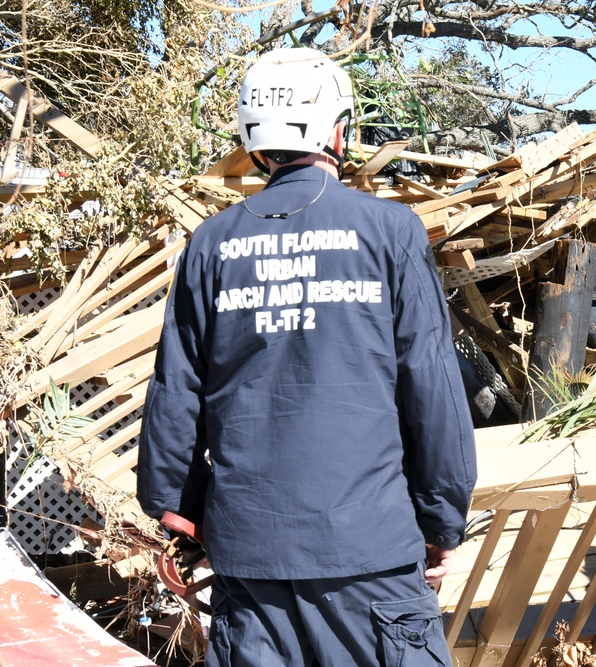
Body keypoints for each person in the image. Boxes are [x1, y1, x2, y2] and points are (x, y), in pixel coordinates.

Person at [136, 47, 477, 667]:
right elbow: (432, 386)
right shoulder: (390, 232)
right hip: (372, 555)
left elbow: (175, 390)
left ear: (251, 136)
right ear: (339, 130)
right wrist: (441, 521)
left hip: (251, 562)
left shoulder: (211, 244)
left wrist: (177, 503)